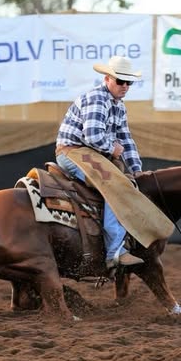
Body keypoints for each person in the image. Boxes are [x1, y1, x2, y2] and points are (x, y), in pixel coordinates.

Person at [55, 55, 145, 268]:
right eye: (120, 81)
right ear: (107, 79)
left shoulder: (119, 106)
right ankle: (115, 252)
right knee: (114, 186)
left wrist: (136, 169)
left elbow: (126, 139)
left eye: (129, 82)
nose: (125, 86)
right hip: (73, 152)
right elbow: (93, 136)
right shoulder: (97, 99)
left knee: (126, 180)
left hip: (90, 154)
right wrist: (113, 148)